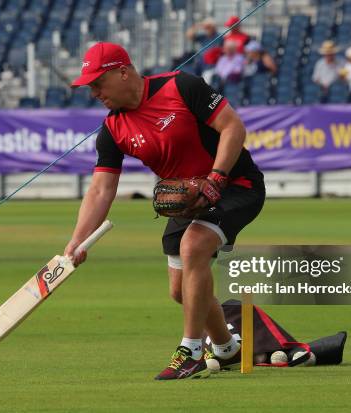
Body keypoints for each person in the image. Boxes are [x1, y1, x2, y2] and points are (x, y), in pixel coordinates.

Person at [67, 42, 265, 380]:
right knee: (181, 291)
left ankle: (190, 350)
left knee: (193, 247)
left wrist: (216, 177)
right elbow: (101, 189)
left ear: (123, 71)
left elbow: (233, 127)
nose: (94, 92)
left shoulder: (182, 86)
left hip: (236, 185)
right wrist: (76, 242)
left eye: (98, 82)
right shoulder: (112, 130)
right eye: (89, 86)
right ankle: (226, 348)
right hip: (187, 199)